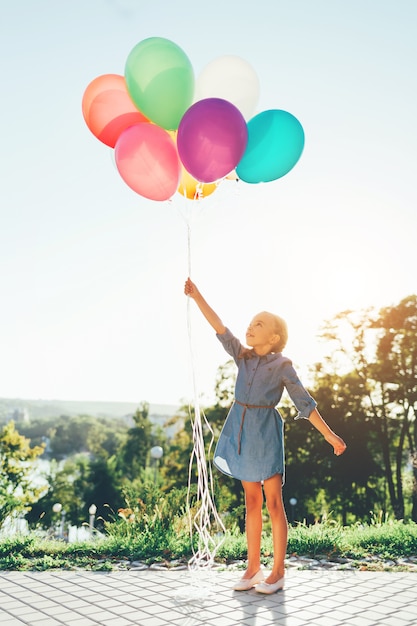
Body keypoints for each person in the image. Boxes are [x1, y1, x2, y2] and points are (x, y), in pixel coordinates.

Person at [184, 277, 347, 594]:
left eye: (258, 325)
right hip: (241, 430)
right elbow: (219, 327)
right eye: (250, 323)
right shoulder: (242, 356)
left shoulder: (283, 365)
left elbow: (304, 401)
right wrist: (196, 295)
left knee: (273, 502)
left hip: (266, 433)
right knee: (251, 502)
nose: (250, 328)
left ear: (274, 338)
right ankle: (253, 567)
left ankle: (278, 572)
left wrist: (330, 436)